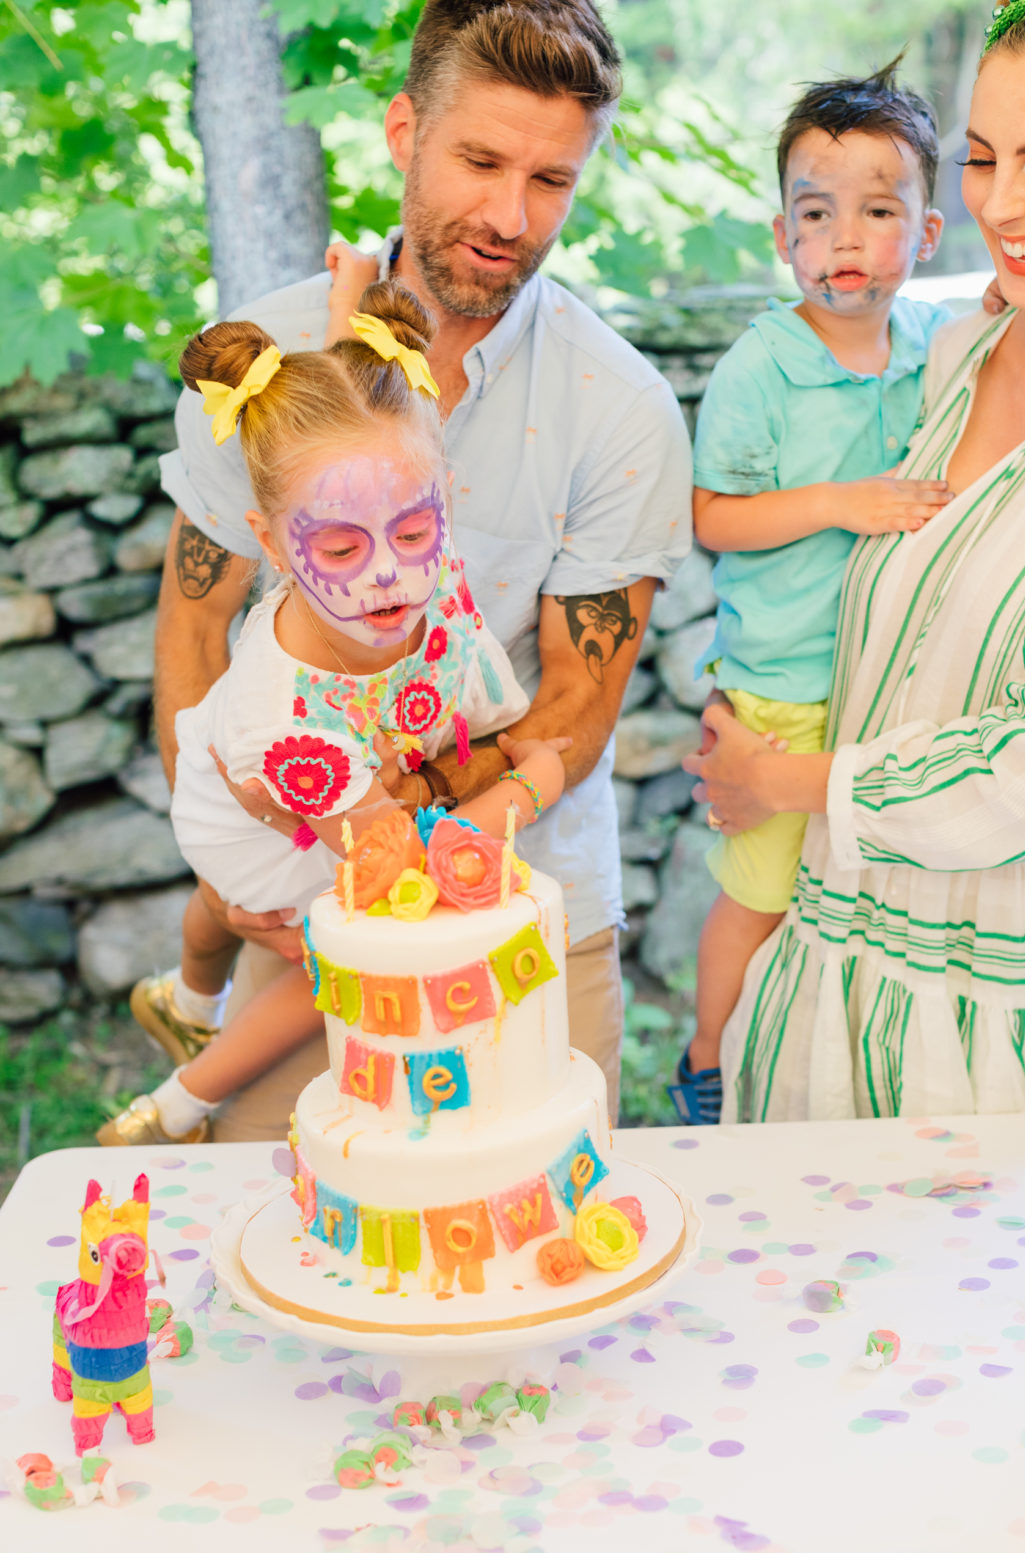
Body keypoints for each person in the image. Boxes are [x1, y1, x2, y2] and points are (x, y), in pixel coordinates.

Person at [147, 0, 692, 1134]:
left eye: (551, 181)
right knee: (275, 1221)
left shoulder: (621, 409)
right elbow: (199, 628)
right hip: (305, 907)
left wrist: (400, 828)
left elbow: (574, 707)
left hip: (528, 908)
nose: (508, 215)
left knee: (531, 1225)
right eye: (480, 160)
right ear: (404, 131)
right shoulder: (258, 368)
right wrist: (242, 855)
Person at [685, 0, 1025, 1122]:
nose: (999, 203)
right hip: (819, 1000)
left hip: (989, 1049)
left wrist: (779, 781)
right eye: (978, 159)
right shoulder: (951, 350)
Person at [101, 282, 566, 1147]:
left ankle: (187, 995)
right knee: (343, 954)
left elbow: (356, 445)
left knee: (233, 915)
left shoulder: (393, 518)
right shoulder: (287, 730)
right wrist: (533, 783)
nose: (386, 573)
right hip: (267, 818)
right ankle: (175, 1106)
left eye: (416, 537)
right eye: (342, 549)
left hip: (361, 765)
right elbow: (408, 872)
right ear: (272, 545)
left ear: (443, 502)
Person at [668, 59, 952, 1124]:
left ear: (924, 234)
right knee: (760, 896)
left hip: (890, 686)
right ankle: (702, 1061)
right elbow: (709, 517)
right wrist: (839, 501)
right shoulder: (759, 367)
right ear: (781, 234)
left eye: (877, 211)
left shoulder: (936, 348)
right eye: (816, 212)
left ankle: (811, 1077)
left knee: (851, 904)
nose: (843, 239)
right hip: (785, 685)